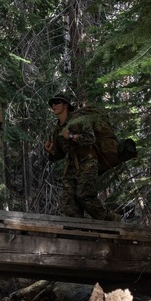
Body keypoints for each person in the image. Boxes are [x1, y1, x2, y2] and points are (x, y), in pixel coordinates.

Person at [43, 92, 116, 221]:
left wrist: (71, 136)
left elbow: (90, 138)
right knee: (69, 202)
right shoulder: (57, 129)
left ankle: (111, 220)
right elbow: (60, 154)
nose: (53, 106)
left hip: (88, 161)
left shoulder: (78, 119)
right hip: (71, 165)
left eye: (57, 103)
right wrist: (50, 151)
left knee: (85, 196)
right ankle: (77, 232)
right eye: (52, 104)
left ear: (65, 105)